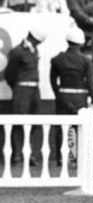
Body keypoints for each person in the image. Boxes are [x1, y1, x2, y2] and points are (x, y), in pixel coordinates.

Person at [50, 27, 93, 166]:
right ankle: (77, 157)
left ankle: (60, 158)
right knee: (79, 129)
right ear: (81, 43)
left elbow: (52, 80)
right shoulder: (85, 60)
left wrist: (58, 94)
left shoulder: (57, 59)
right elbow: (90, 82)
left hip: (63, 95)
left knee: (61, 128)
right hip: (80, 97)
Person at [4, 25, 47, 166]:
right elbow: (10, 74)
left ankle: (30, 154)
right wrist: (18, 87)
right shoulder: (17, 51)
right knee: (18, 122)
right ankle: (16, 155)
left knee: (35, 123)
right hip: (22, 89)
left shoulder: (34, 50)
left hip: (34, 90)